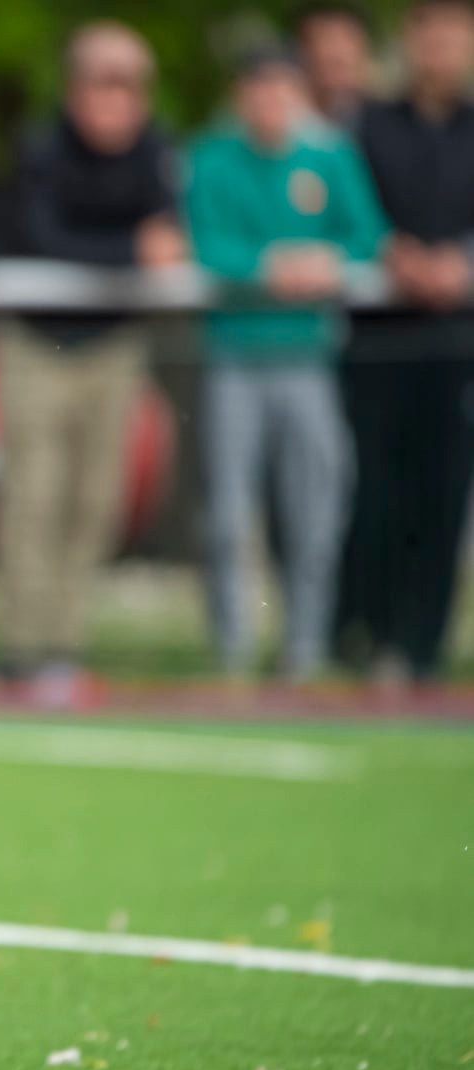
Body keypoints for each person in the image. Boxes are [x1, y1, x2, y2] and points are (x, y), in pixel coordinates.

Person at [0, 21, 185, 706]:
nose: (120, 97)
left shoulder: (156, 152)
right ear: (77, 87)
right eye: (107, 80)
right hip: (36, 343)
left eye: (132, 84)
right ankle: (18, 650)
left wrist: (138, 250)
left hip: (114, 345)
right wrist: (132, 251)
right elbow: (44, 237)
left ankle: (64, 647)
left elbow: (168, 239)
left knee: (96, 499)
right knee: (34, 495)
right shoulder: (40, 149)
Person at [184, 47, 388, 680]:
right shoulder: (211, 159)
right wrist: (265, 266)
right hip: (234, 357)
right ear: (241, 96)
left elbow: (365, 235)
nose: (271, 105)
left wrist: (326, 261)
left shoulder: (328, 157)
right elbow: (203, 241)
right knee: (227, 510)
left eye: (283, 91)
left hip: (308, 359)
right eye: (259, 91)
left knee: (317, 504)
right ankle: (234, 647)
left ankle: (305, 647)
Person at [344, 0, 474, 684]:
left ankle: (423, 648)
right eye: (429, 32)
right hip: (377, 341)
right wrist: (392, 254)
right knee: (377, 488)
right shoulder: (367, 123)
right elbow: (348, 211)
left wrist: (461, 265)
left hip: (456, 340)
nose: (441, 46)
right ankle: (372, 636)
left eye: (455, 33)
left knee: (444, 491)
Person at [292, 2, 377, 133]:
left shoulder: (391, 124)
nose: (336, 53)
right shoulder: (286, 126)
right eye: (324, 40)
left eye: (346, 39)